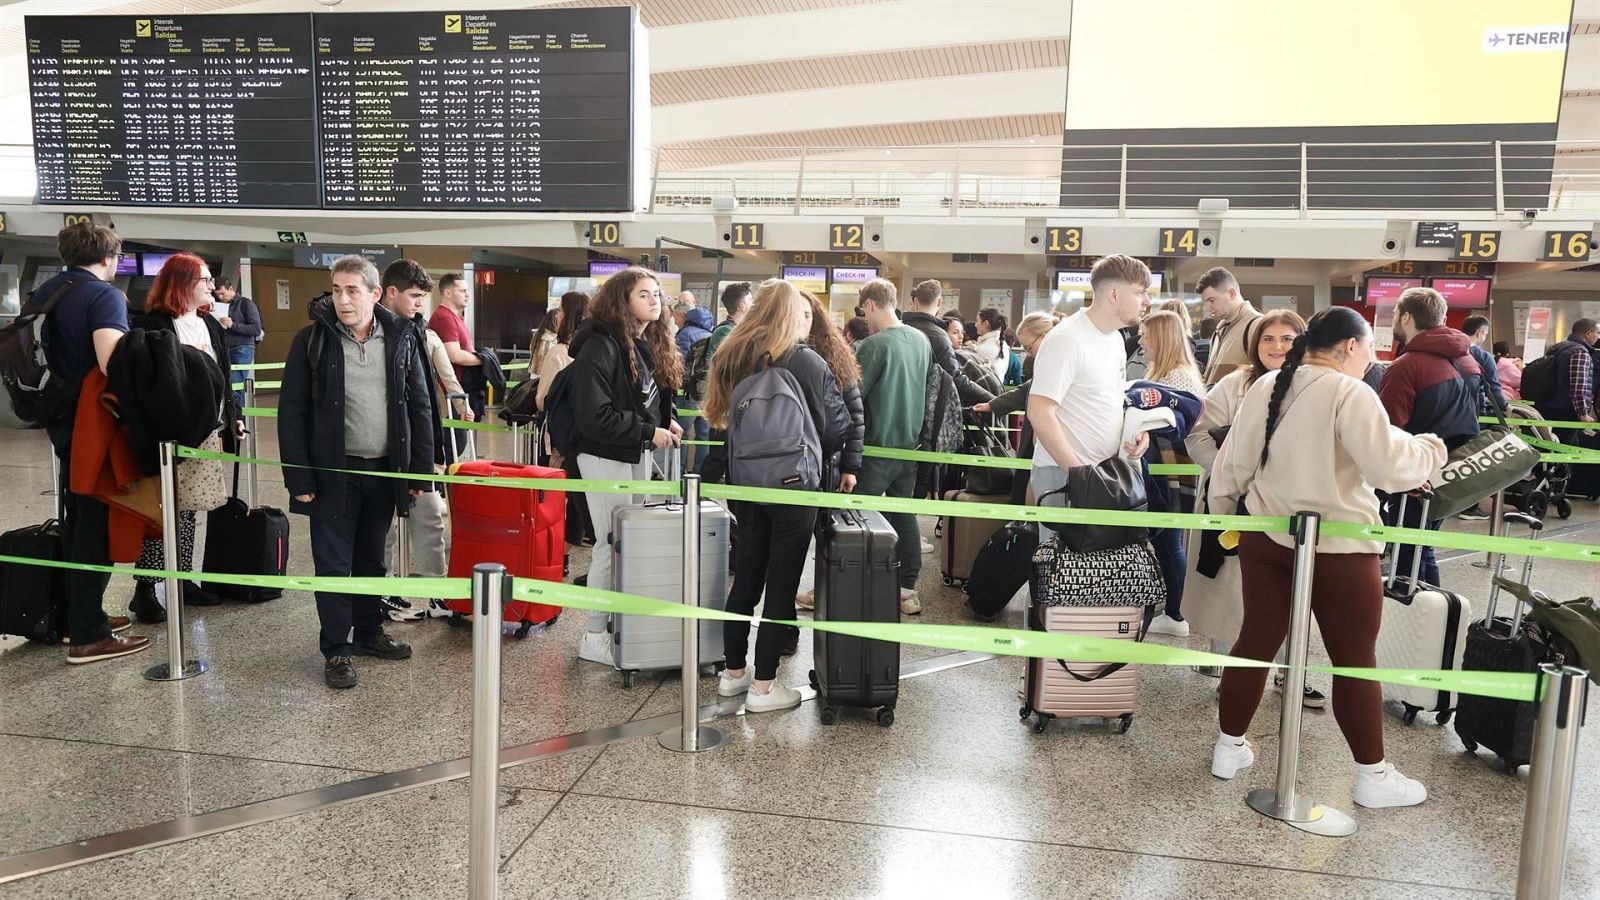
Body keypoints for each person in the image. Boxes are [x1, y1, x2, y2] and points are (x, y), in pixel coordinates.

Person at [1209, 306, 1447, 808]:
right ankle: (1372, 775)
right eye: (1370, 351)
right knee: (1354, 660)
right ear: (1351, 347)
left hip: (1266, 536)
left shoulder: (1266, 385)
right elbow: (1388, 468)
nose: (1371, 361)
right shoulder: (1350, 391)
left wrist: (1227, 517)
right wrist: (1431, 450)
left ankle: (1228, 748)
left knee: (1255, 641)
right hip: (1340, 546)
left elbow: (1232, 464)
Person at [279, 255, 435, 689]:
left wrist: (419, 473)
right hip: (334, 474)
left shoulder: (403, 337)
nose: (342, 299)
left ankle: (368, 632)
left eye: (352, 290)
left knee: (371, 560)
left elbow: (421, 407)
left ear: (374, 293)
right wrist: (300, 479)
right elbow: (291, 414)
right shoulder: (312, 341)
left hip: (385, 472)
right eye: (336, 289)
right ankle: (337, 650)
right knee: (332, 565)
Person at [704, 280, 852, 711]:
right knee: (782, 585)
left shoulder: (733, 354)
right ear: (791, 314)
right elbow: (834, 427)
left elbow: (721, 417)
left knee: (745, 576)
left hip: (746, 481)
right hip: (793, 486)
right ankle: (764, 687)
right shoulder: (804, 359)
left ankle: (733, 673)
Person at [1183, 310, 1326, 707]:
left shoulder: (1318, 384)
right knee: (1235, 592)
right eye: (1268, 339)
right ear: (1255, 344)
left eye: (1286, 338)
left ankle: (1290, 670)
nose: (1277, 347)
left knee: (1291, 592)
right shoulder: (1234, 384)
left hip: (1294, 509)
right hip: (1236, 506)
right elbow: (1198, 439)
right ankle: (1235, 671)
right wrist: (1235, 473)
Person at [37, 223, 149, 663]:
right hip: (93, 423)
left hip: (58, 416)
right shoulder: (102, 295)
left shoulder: (47, 290)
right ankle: (88, 634)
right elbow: (111, 361)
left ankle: (78, 615)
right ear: (110, 257)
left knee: (78, 516)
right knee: (96, 523)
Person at [566, 267, 682, 664]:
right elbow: (594, 415)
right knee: (608, 543)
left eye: (656, 295)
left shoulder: (637, 342)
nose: (655, 301)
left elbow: (637, 398)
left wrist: (663, 422)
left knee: (624, 542)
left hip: (629, 451)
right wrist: (649, 432)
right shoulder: (600, 345)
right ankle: (593, 635)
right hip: (602, 453)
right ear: (622, 300)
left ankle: (616, 622)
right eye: (644, 295)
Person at [128, 252, 241, 619]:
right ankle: (145, 586)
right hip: (168, 434)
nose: (212, 286)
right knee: (161, 510)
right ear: (181, 284)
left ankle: (181, 578)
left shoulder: (209, 325)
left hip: (206, 431)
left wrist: (233, 417)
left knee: (189, 508)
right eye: (204, 280)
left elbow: (223, 376)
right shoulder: (154, 325)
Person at [1027, 254, 1152, 515]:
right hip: (1064, 476)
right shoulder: (1067, 339)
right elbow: (1039, 412)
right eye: (1140, 293)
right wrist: (1078, 475)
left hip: (1104, 473)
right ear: (1114, 294)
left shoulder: (1115, 339)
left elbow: (1110, 401)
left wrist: (1135, 432)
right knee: (1060, 556)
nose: (1147, 302)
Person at [1378, 287, 1481, 587]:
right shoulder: (1468, 361)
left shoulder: (1406, 367)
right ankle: (1434, 614)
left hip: (1416, 474)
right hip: (1455, 468)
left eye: (1397, 314)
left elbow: (1390, 429)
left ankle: (1411, 614)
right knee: (1423, 546)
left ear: (1406, 316)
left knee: (1407, 551)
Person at [377, 259, 454, 608]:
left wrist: (430, 455)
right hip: (381, 449)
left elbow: (424, 402)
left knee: (430, 517)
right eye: (415, 296)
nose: (421, 304)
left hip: (417, 445)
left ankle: (437, 593)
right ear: (391, 293)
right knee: (383, 529)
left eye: (424, 297)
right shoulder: (374, 335)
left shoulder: (418, 332)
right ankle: (385, 591)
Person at [853, 279, 931, 614]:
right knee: (903, 513)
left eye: (863, 311)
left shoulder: (873, 345)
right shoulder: (921, 340)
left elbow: (854, 396)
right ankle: (907, 589)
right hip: (909, 443)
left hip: (877, 445)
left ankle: (847, 581)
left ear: (870, 304)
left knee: (855, 514)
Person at [793, 289, 867, 618]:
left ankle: (825, 593)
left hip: (825, 467)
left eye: (809, 315)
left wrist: (851, 467)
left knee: (825, 536)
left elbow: (855, 417)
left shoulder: (835, 357)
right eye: (798, 314)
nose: (803, 321)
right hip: (784, 467)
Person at [1134, 308, 1205, 638]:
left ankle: (1177, 614)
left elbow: (1166, 426)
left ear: (1161, 338)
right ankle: (1174, 609)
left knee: (1169, 542)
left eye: (1146, 336)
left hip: (1172, 469)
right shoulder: (1168, 372)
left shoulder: (1175, 377)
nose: (1141, 341)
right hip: (1171, 469)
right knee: (1166, 541)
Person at [973, 311, 1055, 504]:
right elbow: (1027, 389)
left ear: (1043, 336)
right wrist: (992, 405)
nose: (1028, 353)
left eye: (1028, 346)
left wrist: (993, 404)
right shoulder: (1048, 361)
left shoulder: (1058, 360)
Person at [534, 290, 595, 546]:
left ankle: (562, 550)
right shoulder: (595, 348)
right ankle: (579, 534)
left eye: (560, 309)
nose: (556, 314)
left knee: (560, 488)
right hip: (587, 433)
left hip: (561, 434)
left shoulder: (559, 352)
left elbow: (542, 398)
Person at [1534, 319, 1600, 499]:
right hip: (1565, 412)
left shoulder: (1558, 347)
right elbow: (1578, 387)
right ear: (1588, 333)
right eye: (1596, 333)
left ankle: (1543, 488)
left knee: (1547, 450)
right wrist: (1583, 414)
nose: (1597, 337)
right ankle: (1557, 492)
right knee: (1567, 452)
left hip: (1546, 407)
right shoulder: (1580, 353)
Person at [902, 280, 994, 407]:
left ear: (915, 301)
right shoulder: (939, 336)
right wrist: (993, 400)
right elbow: (954, 377)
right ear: (940, 302)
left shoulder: (899, 329)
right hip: (926, 406)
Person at [698, 282, 753, 482]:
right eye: (750, 300)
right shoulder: (726, 332)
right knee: (718, 457)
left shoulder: (735, 331)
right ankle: (699, 499)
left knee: (728, 457)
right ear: (742, 306)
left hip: (732, 405)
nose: (753, 304)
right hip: (725, 405)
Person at [429, 272, 483, 440]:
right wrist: (483, 359)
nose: (467, 295)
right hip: (449, 393)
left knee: (459, 442)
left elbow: (466, 349)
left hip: (459, 390)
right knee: (454, 444)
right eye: (462, 291)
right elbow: (455, 355)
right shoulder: (444, 318)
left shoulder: (456, 318)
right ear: (447, 293)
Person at [1197, 267, 1263, 387]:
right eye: (1205, 302)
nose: (1207, 307)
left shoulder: (1257, 325)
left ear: (1232, 293)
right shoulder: (1219, 329)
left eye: (1212, 300)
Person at [674, 301, 715, 470]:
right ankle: (699, 475)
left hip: (688, 394)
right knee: (704, 435)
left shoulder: (684, 334)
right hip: (707, 393)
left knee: (680, 435)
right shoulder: (712, 335)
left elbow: (679, 365)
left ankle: (679, 473)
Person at [213, 276, 262, 406]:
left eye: (223, 293)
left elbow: (256, 329)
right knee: (228, 385)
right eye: (218, 295)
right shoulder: (219, 306)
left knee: (235, 384)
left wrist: (232, 325)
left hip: (243, 348)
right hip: (225, 349)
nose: (221, 297)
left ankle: (238, 418)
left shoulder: (246, 303)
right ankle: (235, 416)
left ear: (231, 289)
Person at [1459, 314, 1506, 414]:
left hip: (1447, 409)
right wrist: (1505, 406)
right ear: (1479, 333)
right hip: (1474, 410)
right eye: (1485, 334)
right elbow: (1493, 388)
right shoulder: (1484, 357)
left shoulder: (1448, 351)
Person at [972, 308, 1011, 385]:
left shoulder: (983, 349)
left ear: (986, 323)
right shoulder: (1003, 345)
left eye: (977, 321)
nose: (975, 325)